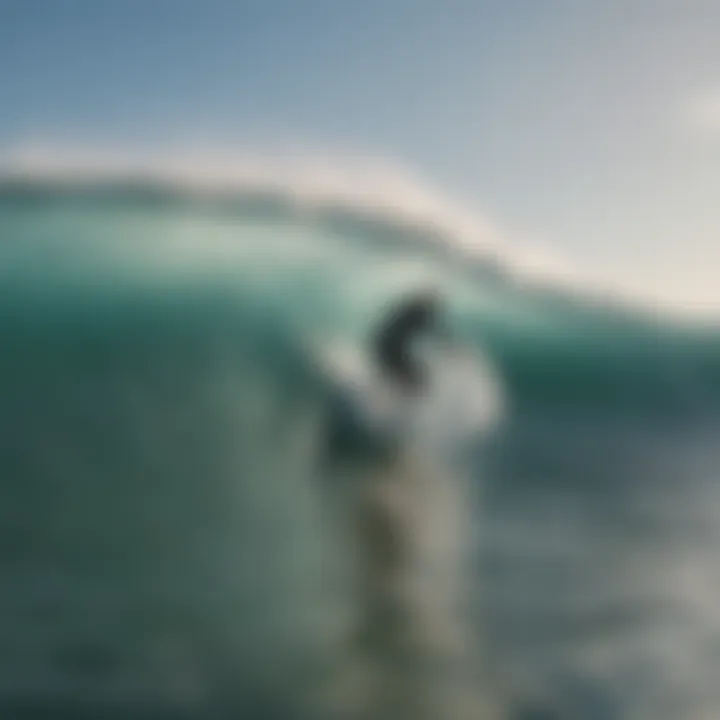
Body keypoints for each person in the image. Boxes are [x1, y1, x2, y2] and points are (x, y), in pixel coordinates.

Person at [371, 288, 448, 396]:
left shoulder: (412, 312)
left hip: (388, 344)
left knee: (413, 377)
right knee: (413, 378)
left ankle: (398, 394)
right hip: (389, 346)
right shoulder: (419, 314)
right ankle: (400, 395)